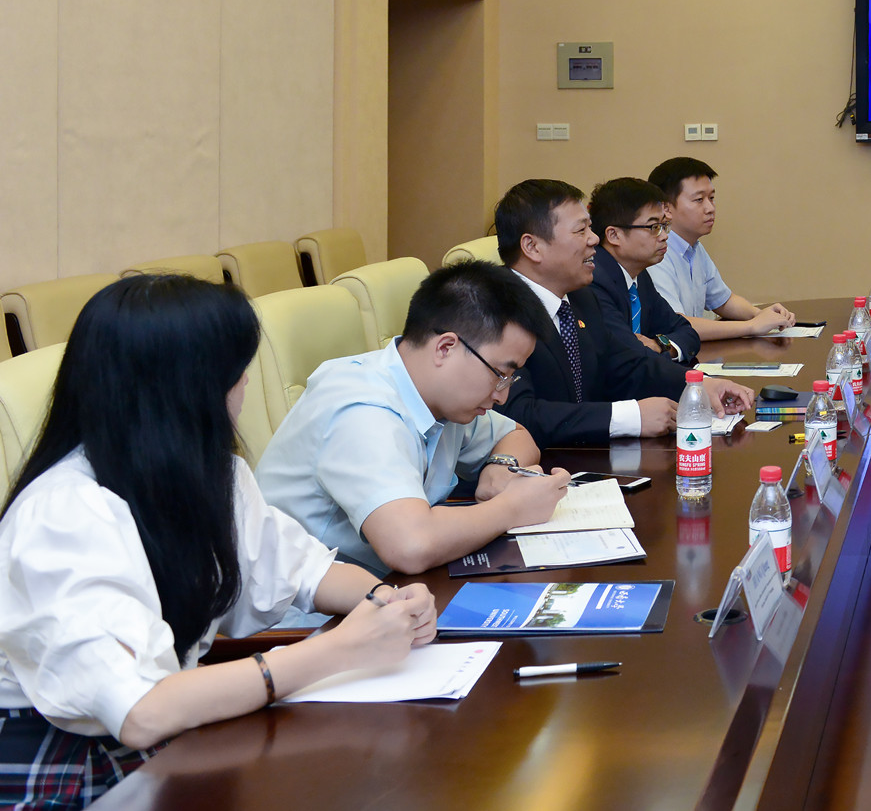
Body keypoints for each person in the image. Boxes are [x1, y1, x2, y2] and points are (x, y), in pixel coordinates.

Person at [0, 276, 437, 806]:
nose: (246, 383)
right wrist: (338, 649)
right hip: (67, 762)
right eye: (235, 371)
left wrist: (385, 601)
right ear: (186, 389)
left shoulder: (213, 475)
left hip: (170, 735)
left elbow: (306, 571)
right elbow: (141, 711)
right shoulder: (63, 513)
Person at [257, 261, 569, 576]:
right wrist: (512, 507)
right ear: (445, 348)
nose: (502, 396)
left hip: (387, 588)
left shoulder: (441, 398)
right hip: (309, 602)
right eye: (500, 374)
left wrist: (500, 466)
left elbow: (516, 435)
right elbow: (410, 545)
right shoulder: (361, 409)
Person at [495, 179, 751, 448]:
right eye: (581, 230)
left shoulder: (581, 298)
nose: (594, 239)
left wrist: (698, 386)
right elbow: (517, 414)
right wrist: (630, 417)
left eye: (590, 228)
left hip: (588, 458)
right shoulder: (495, 310)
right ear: (532, 246)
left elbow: (628, 366)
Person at [645, 157, 796, 341]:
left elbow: (724, 301)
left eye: (712, 198)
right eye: (699, 200)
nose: (710, 208)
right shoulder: (655, 254)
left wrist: (760, 314)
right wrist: (751, 326)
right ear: (666, 209)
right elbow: (676, 324)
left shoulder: (695, 248)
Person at [585, 176, 702, 366]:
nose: (664, 236)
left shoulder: (639, 276)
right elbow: (630, 356)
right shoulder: (594, 281)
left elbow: (687, 332)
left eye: (664, 226)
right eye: (654, 227)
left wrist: (660, 345)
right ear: (614, 235)